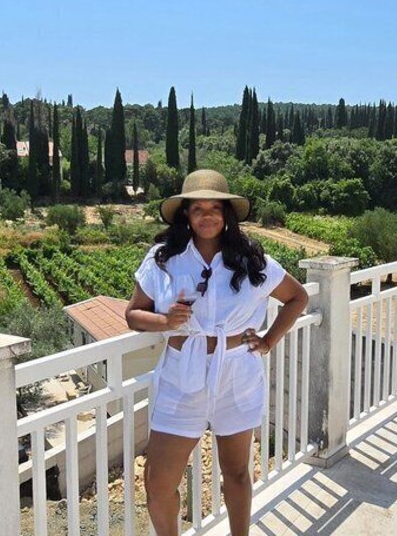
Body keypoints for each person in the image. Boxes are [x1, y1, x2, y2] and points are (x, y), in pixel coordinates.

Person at [125, 169, 309, 536]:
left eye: (214, 208)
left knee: (237, 472)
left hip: (237, 373)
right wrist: (165, 321)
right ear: (186, 214)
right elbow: (133, 315)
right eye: (198, 209)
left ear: (226, 214)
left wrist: (269, 341)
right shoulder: (164, 258)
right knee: (158, 483)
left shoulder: (252, 260)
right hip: (181, 375)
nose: (206, 216)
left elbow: (297, 297)